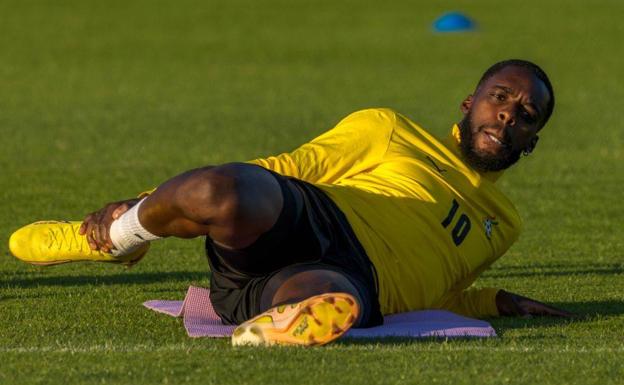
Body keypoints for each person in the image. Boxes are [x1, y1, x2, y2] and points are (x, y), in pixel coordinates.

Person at [9, 59, 573, 347]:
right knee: (222, 190)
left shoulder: (506, 227)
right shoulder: (390, 129)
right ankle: (121, 236)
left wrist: (493, 301)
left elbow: (444, 290)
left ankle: (273, 330)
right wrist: (146, 199)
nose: (508, 114)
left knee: (330, 304)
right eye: (501, 98)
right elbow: (292, 168)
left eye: (526, 114)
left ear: (532, 141)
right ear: (470, 101)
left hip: (351, 276)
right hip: (316, 215)